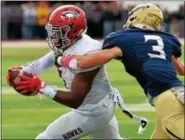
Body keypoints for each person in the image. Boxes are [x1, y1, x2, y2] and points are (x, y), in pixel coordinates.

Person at [6, 5, 147, 139]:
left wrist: (41, 87)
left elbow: (75, 100)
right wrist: (22, 71)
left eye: (58, 32)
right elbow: (47, 60)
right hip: (101, 105)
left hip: (91, 112)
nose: (54, 36)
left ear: (74, 31)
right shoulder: (70, 42)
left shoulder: (89, 52)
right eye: (53, 31)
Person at [58, 3, 185, 139]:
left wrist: (62, 60)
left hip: (165, 98)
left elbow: (85, 62)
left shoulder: (124, 38)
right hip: (178, 91)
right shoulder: (167, 40)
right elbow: (181, 70)